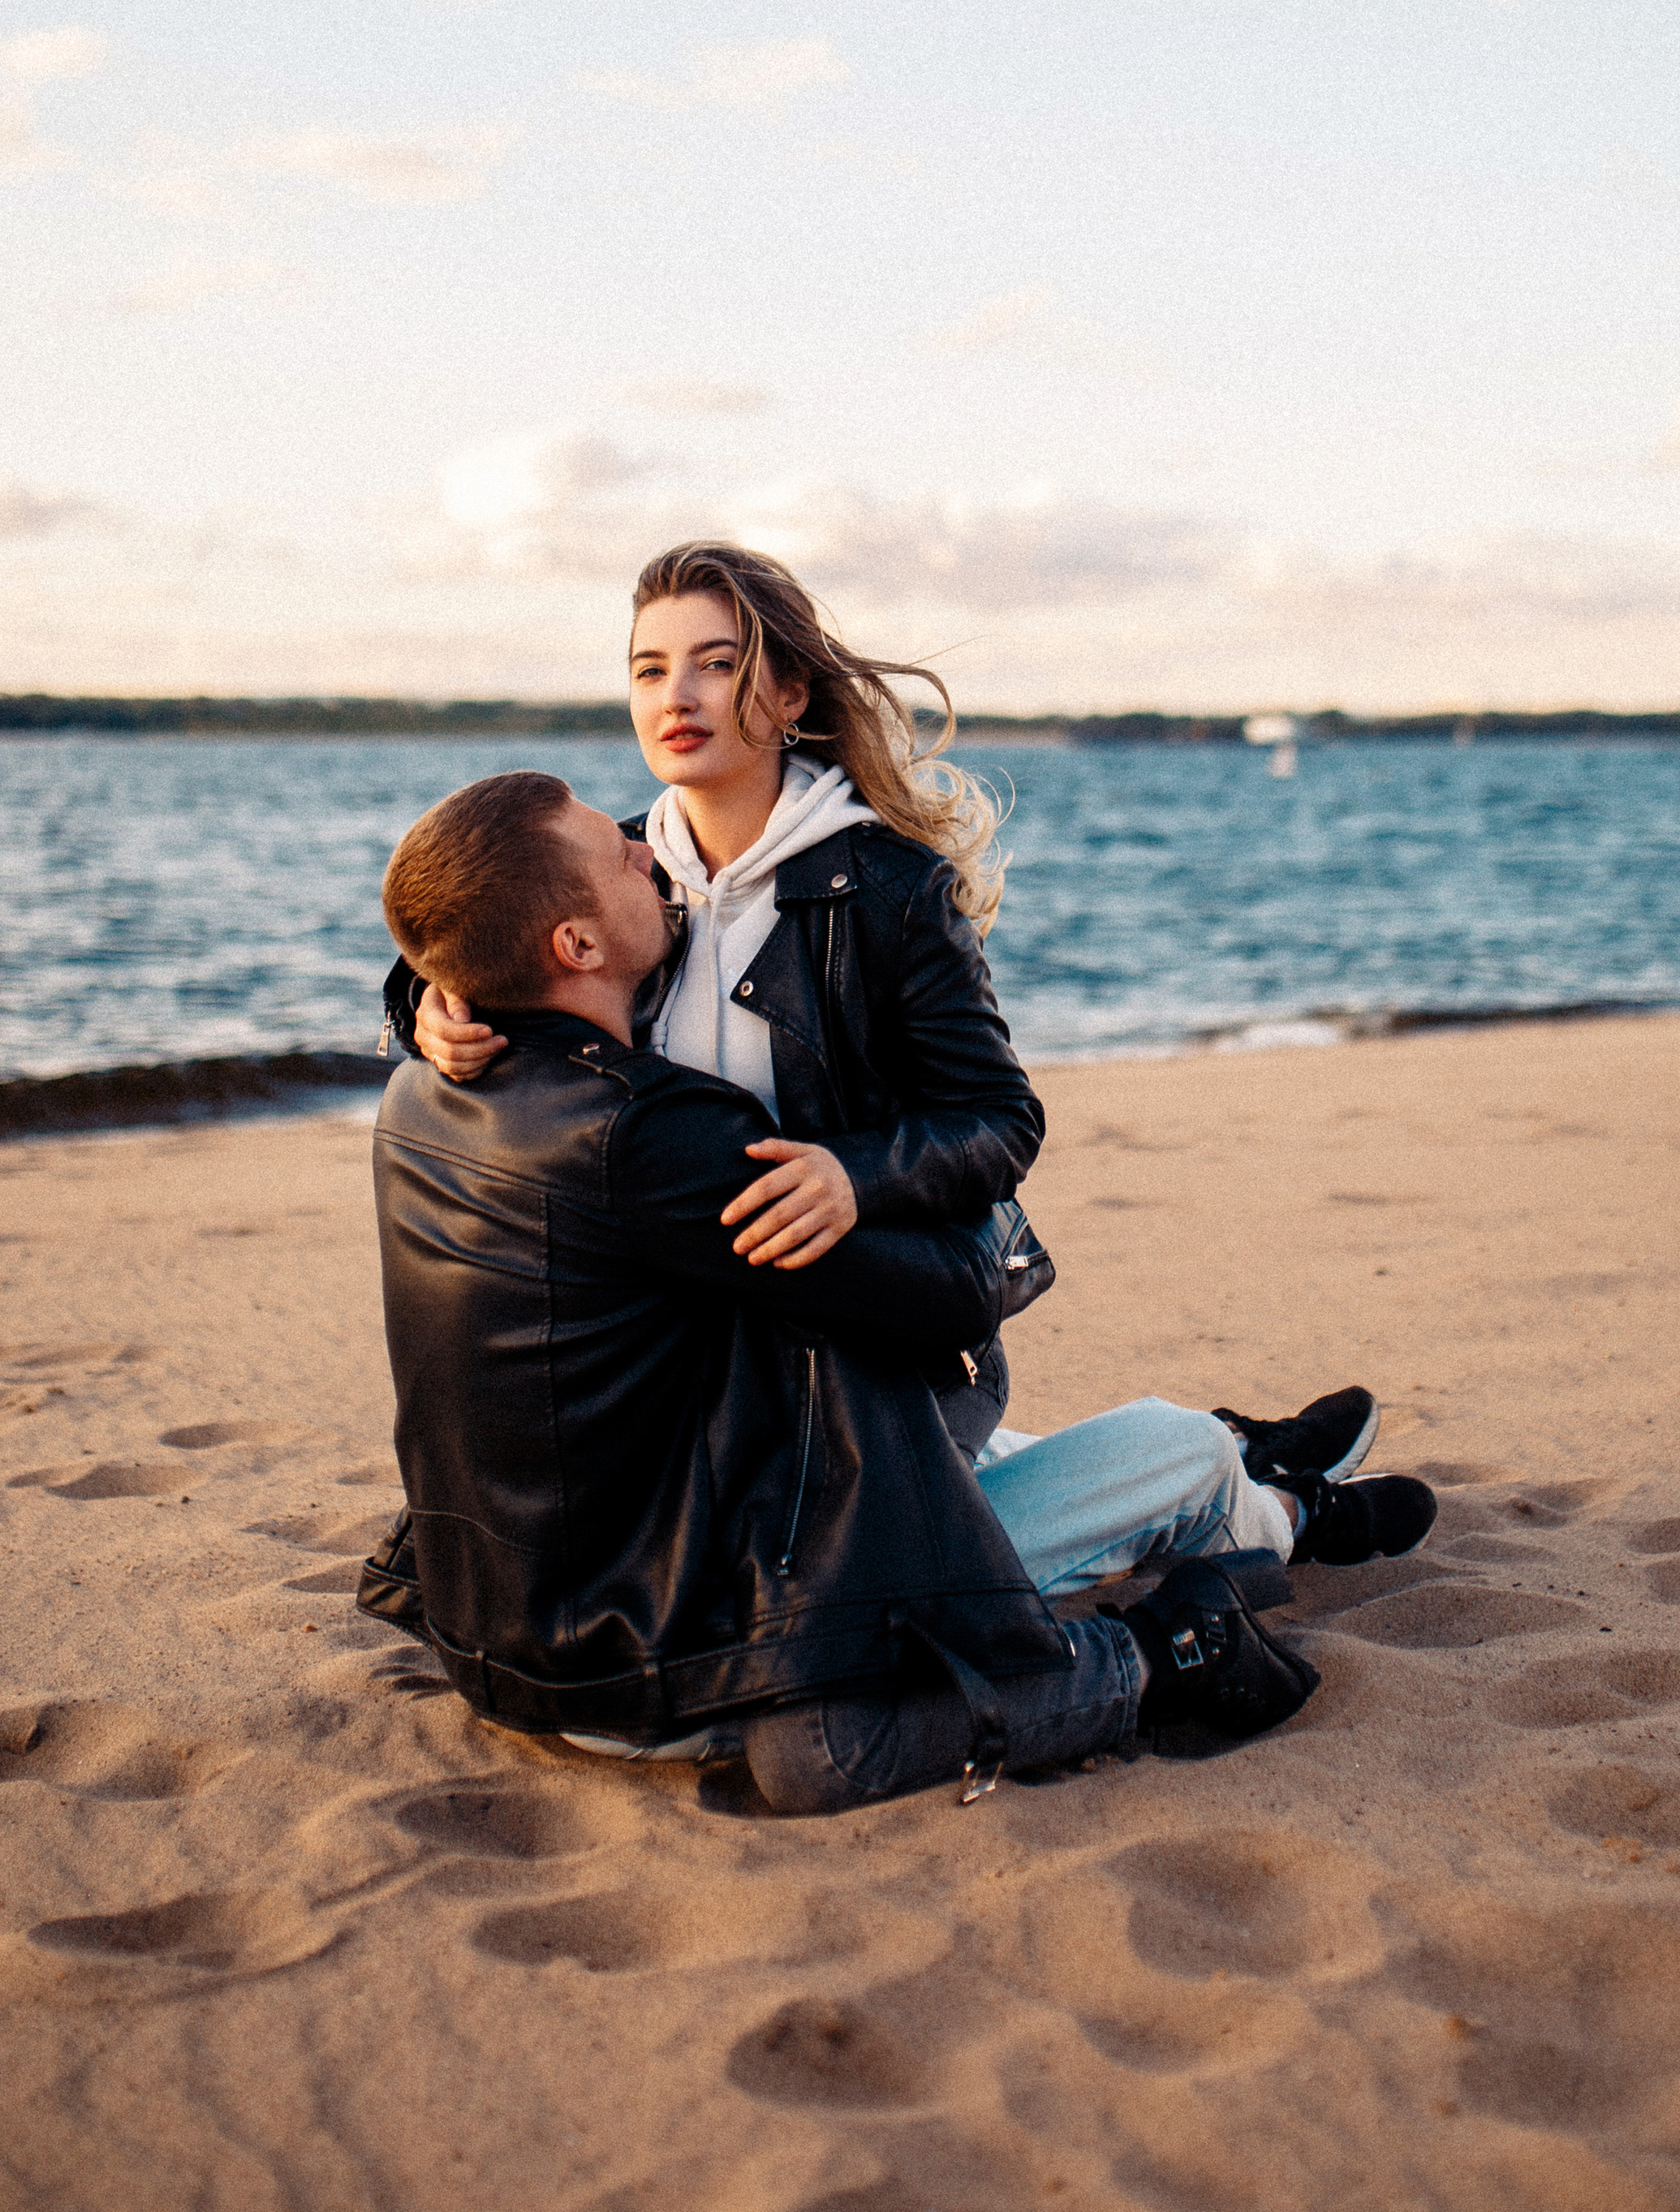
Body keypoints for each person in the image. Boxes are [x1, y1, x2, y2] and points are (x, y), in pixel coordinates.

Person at [362, 770, 1437, 1816]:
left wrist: (426, 990)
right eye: (619, 850)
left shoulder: (419, 1092)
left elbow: (500, 921)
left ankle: (1262, 1473)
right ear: (578, 947)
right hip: (685, 1593)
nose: (648, 850)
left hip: (550, 1601)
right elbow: (948, 1304)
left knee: (929, 1456)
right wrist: (912, 1199)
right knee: (1142, 1463)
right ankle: (1258, 1487)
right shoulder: (647, 1131)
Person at [390, 541, 1041, 1460]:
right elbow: (475, 938)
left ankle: (1227, 1477)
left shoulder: (893, 891)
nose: (675, 697)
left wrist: (855, 1174)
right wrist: (428, 1004)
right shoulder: (606, 872)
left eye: (718, 664)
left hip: (853, 1357)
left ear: (789, 696)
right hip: (673, 1367)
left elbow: (999, 1121)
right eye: (649, 670)